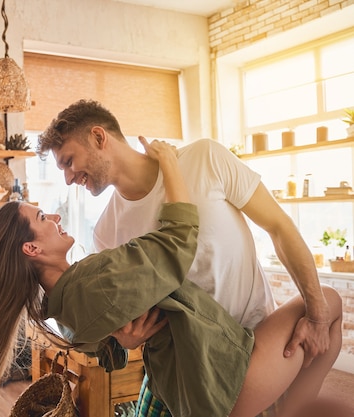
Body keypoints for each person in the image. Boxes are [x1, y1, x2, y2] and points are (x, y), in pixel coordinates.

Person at [0, 140, 342, 417]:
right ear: (32, 249)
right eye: (42, 218)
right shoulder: (92, 280)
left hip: (198, 388)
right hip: (224, 379)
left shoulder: (63, 309)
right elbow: (177, 242)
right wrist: (171, 163)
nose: (57, 214)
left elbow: (111, 350)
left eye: (70, 164)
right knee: (327, 303)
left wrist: (123, 343)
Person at [36, 99, 336, 415]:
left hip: (257, 339)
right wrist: (125, 338)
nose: (68, 178)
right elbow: (133, 317)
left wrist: (316, 313)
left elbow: (279, 227)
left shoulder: (205, 158)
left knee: (329, 310)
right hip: (193, 370)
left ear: (99, 137)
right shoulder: (106, 231)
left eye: (69, 161)